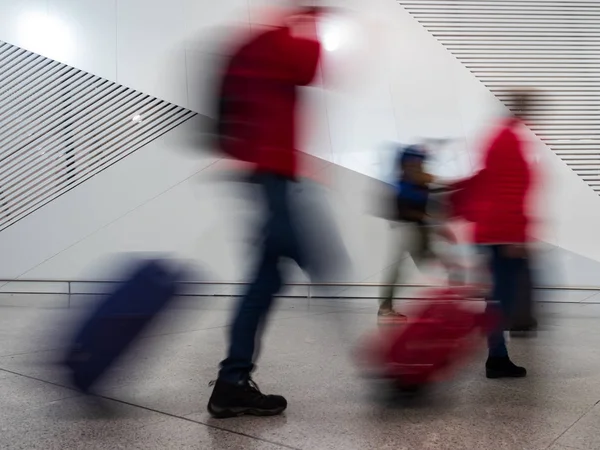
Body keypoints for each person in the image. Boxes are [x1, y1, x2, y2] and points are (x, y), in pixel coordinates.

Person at [207, 7, 342, 419]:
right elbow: (309, 67)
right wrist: (314, 20)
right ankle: (383, 373)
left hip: (268, 170)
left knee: (267, 278)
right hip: (272, 172)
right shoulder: (278, 39)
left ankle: (232, 382)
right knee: (321, 261)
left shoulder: (258, 40)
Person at [455, 89, 536, 379]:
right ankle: (491, 353)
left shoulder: (502, 136)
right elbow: (508, 191)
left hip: (495, 231)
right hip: (500, 233)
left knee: (500, 296)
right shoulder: (508, 139)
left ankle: (497, 354)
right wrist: (514, 237)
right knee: (501, 298)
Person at [379, 144, 438, 322]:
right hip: (407, 229)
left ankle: (386, 307)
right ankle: (386, 308)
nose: (420, 164)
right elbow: (405, 209)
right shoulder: (406, 182)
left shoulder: (415, 181)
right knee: (422, 265)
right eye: (417, 161)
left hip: (414, 229)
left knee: (419, 265)